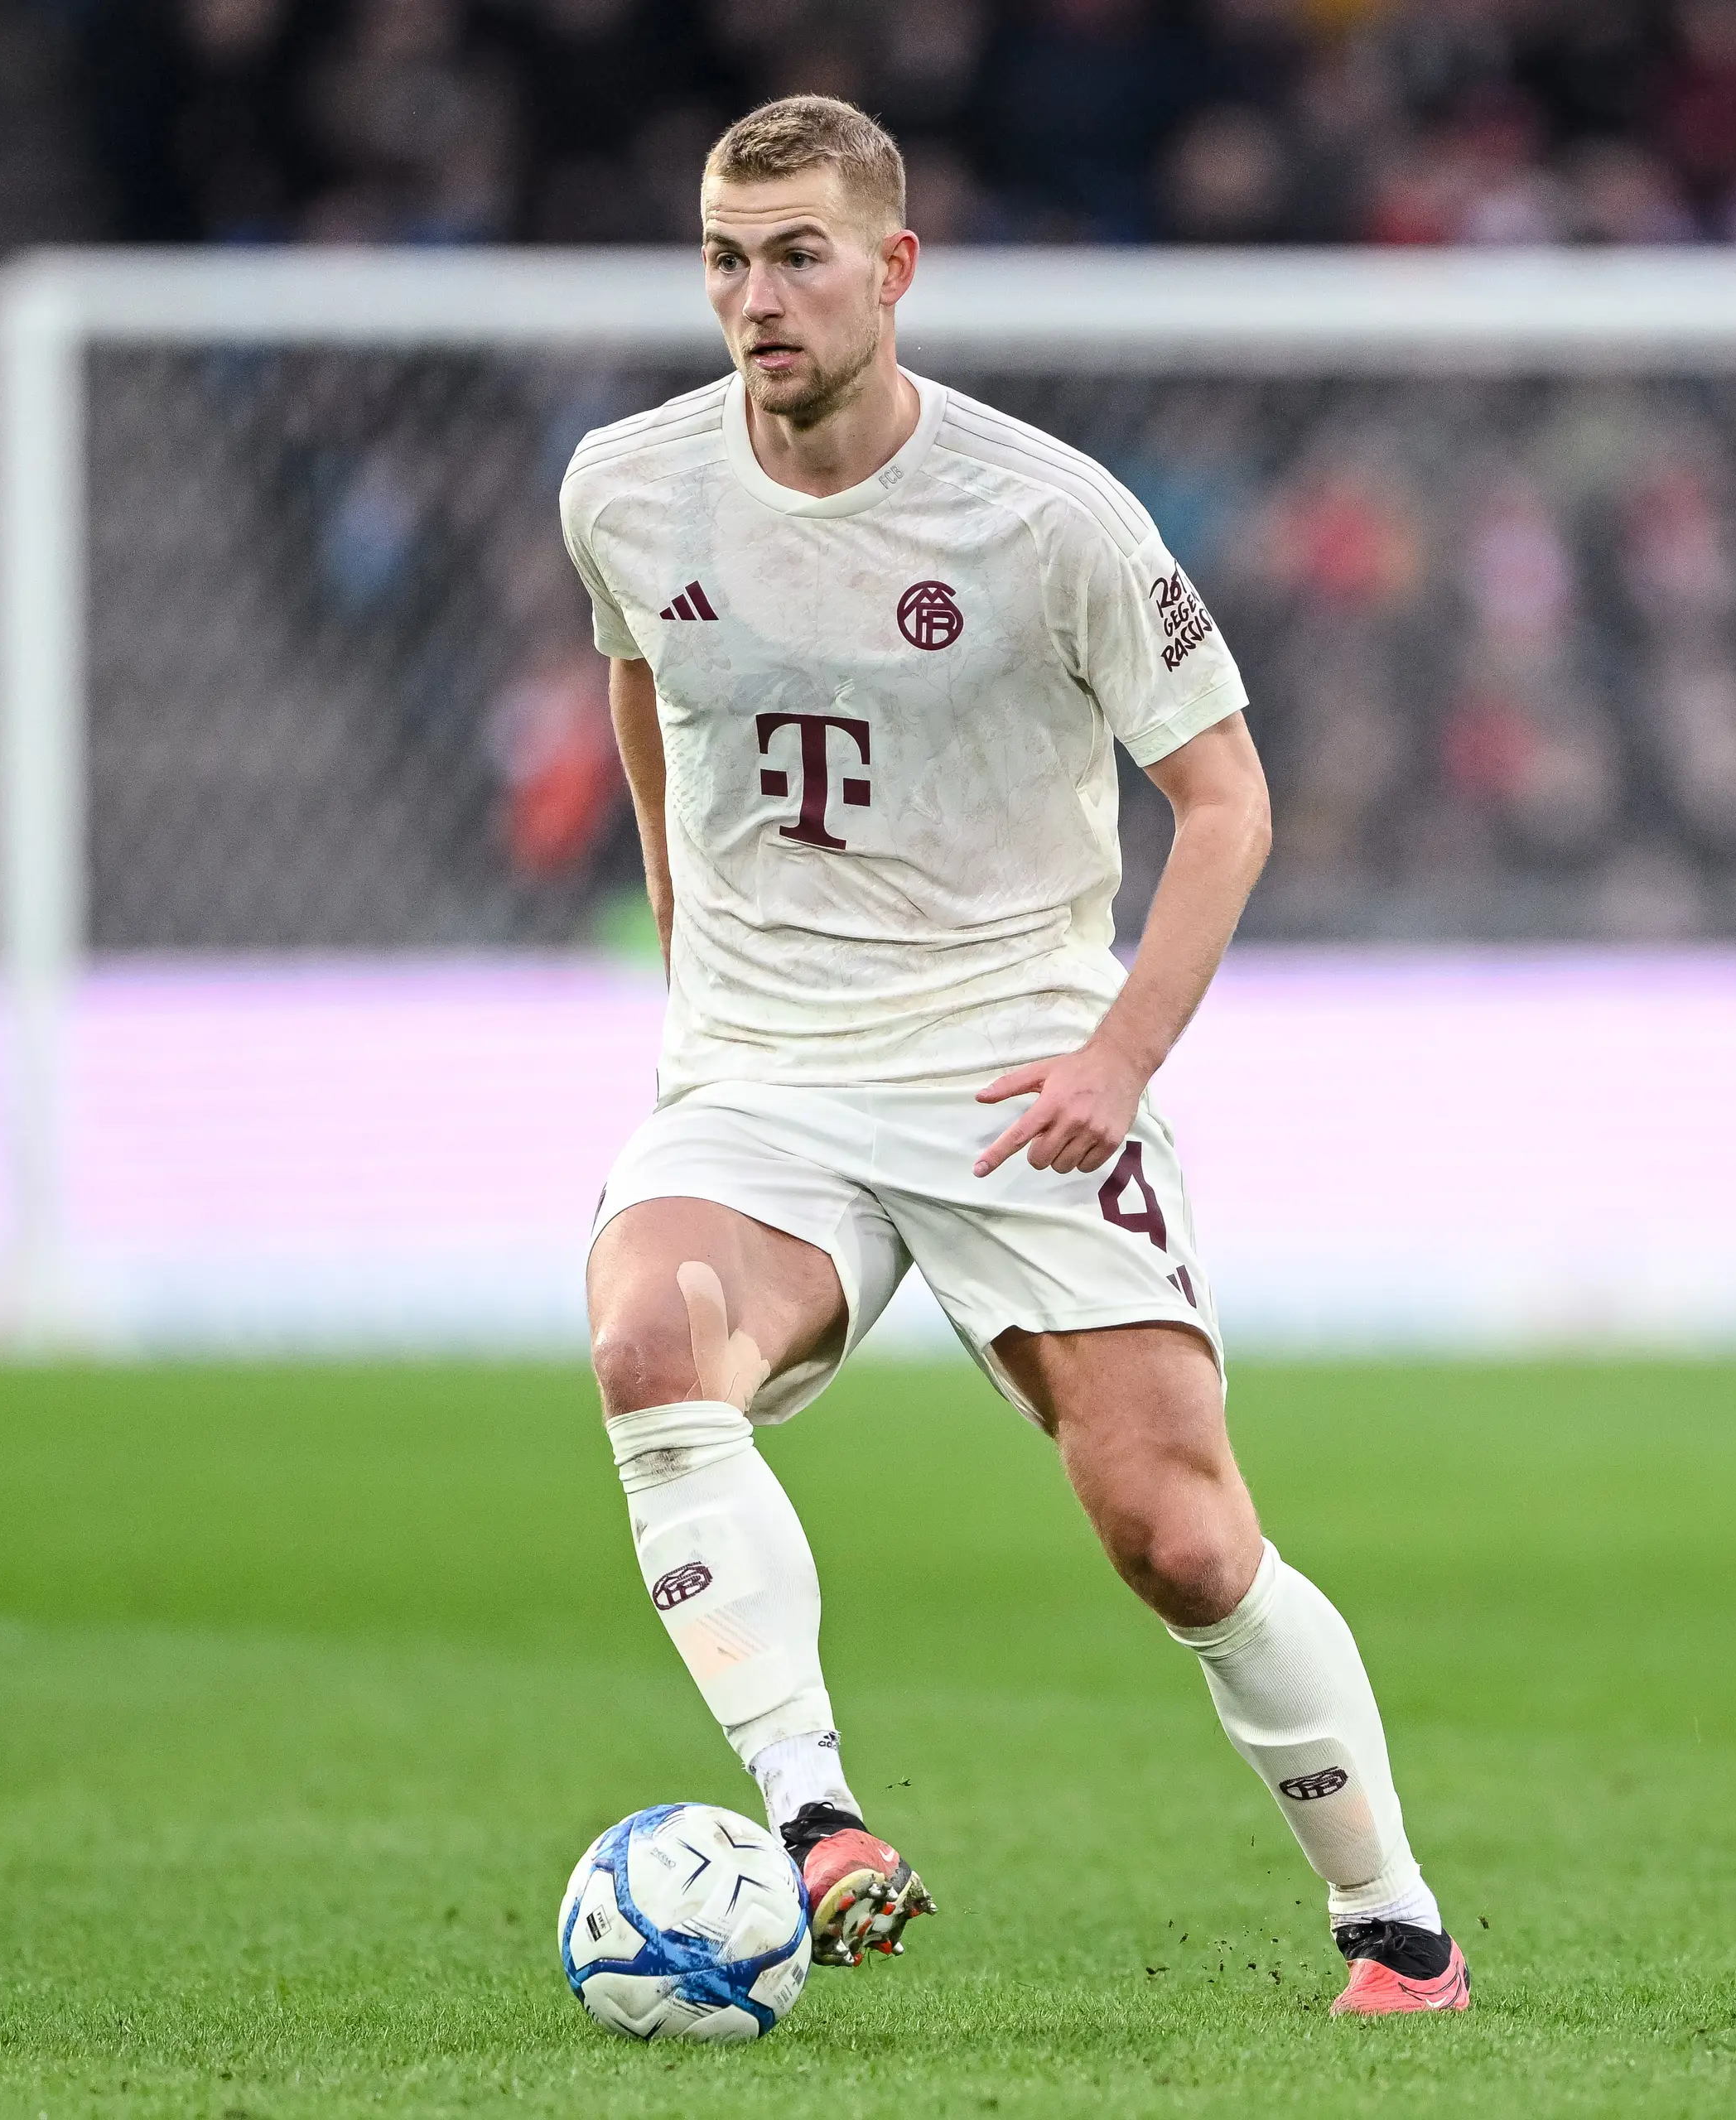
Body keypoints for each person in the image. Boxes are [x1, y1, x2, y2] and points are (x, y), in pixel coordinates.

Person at [558, 94, 1466, 2017]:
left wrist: (1119, 1058)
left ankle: (1395, 1920)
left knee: (1181, 1536)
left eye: (798, 254)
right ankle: (813, 1821)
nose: (757, 297)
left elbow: (1225, 803)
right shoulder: (628, 489)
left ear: (894, 268)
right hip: (765, 1069)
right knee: (651, 1342)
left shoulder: (1049, 518)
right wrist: (683, 931)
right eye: (725, 257)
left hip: (1013, 1064)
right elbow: (642, 675)